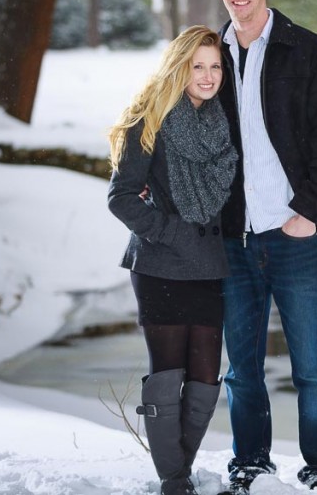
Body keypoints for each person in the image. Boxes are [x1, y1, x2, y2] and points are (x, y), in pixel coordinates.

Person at [213, 0, 317, 495]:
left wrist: (309, 212)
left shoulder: (312, 53)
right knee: (242, 368)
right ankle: (250, 464)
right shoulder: (205, 57)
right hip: (233, 238)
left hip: (293, 233)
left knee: (314, 367)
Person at [107, 26, 238, 495]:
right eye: (197, 66)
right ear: (179, 67)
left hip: (208, 266)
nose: (208, 76)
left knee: (204, 376)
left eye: (215, 66)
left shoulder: (221, 121)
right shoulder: (149, 120)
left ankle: (179, 470)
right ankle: (174, 480)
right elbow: (121, 197)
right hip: (160, 264)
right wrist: (171, 232)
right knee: (168, 373)